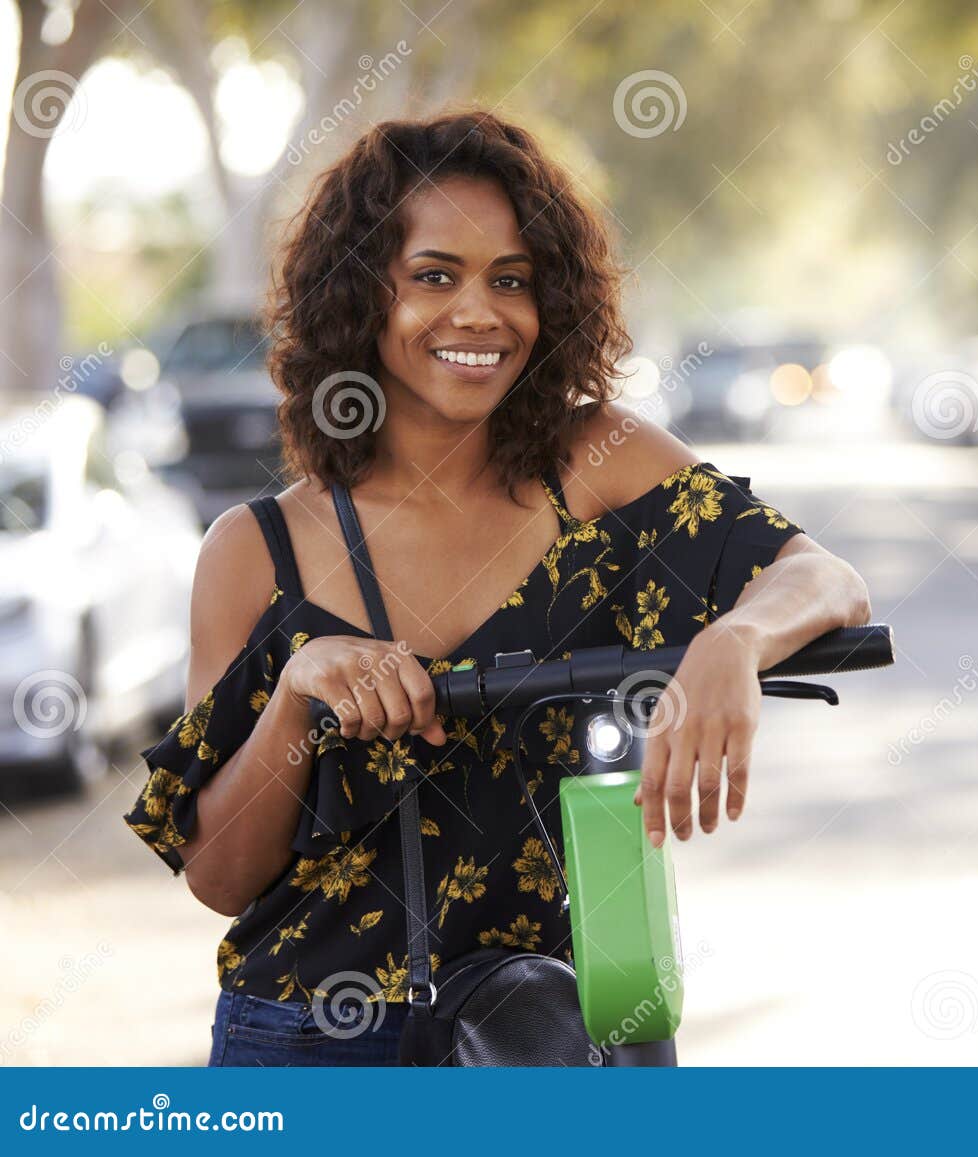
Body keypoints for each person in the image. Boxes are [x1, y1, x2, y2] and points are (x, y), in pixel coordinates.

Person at [122, 109, 872, 1066]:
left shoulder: (599, 470)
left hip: (564, 1034)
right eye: (435, 276)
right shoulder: (255, 549)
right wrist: (298, 695)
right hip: (312, 1045)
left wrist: (735, 639)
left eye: (511, 280)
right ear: (358, 296)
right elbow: (221, 876)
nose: (480, 313)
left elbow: (821, 577)